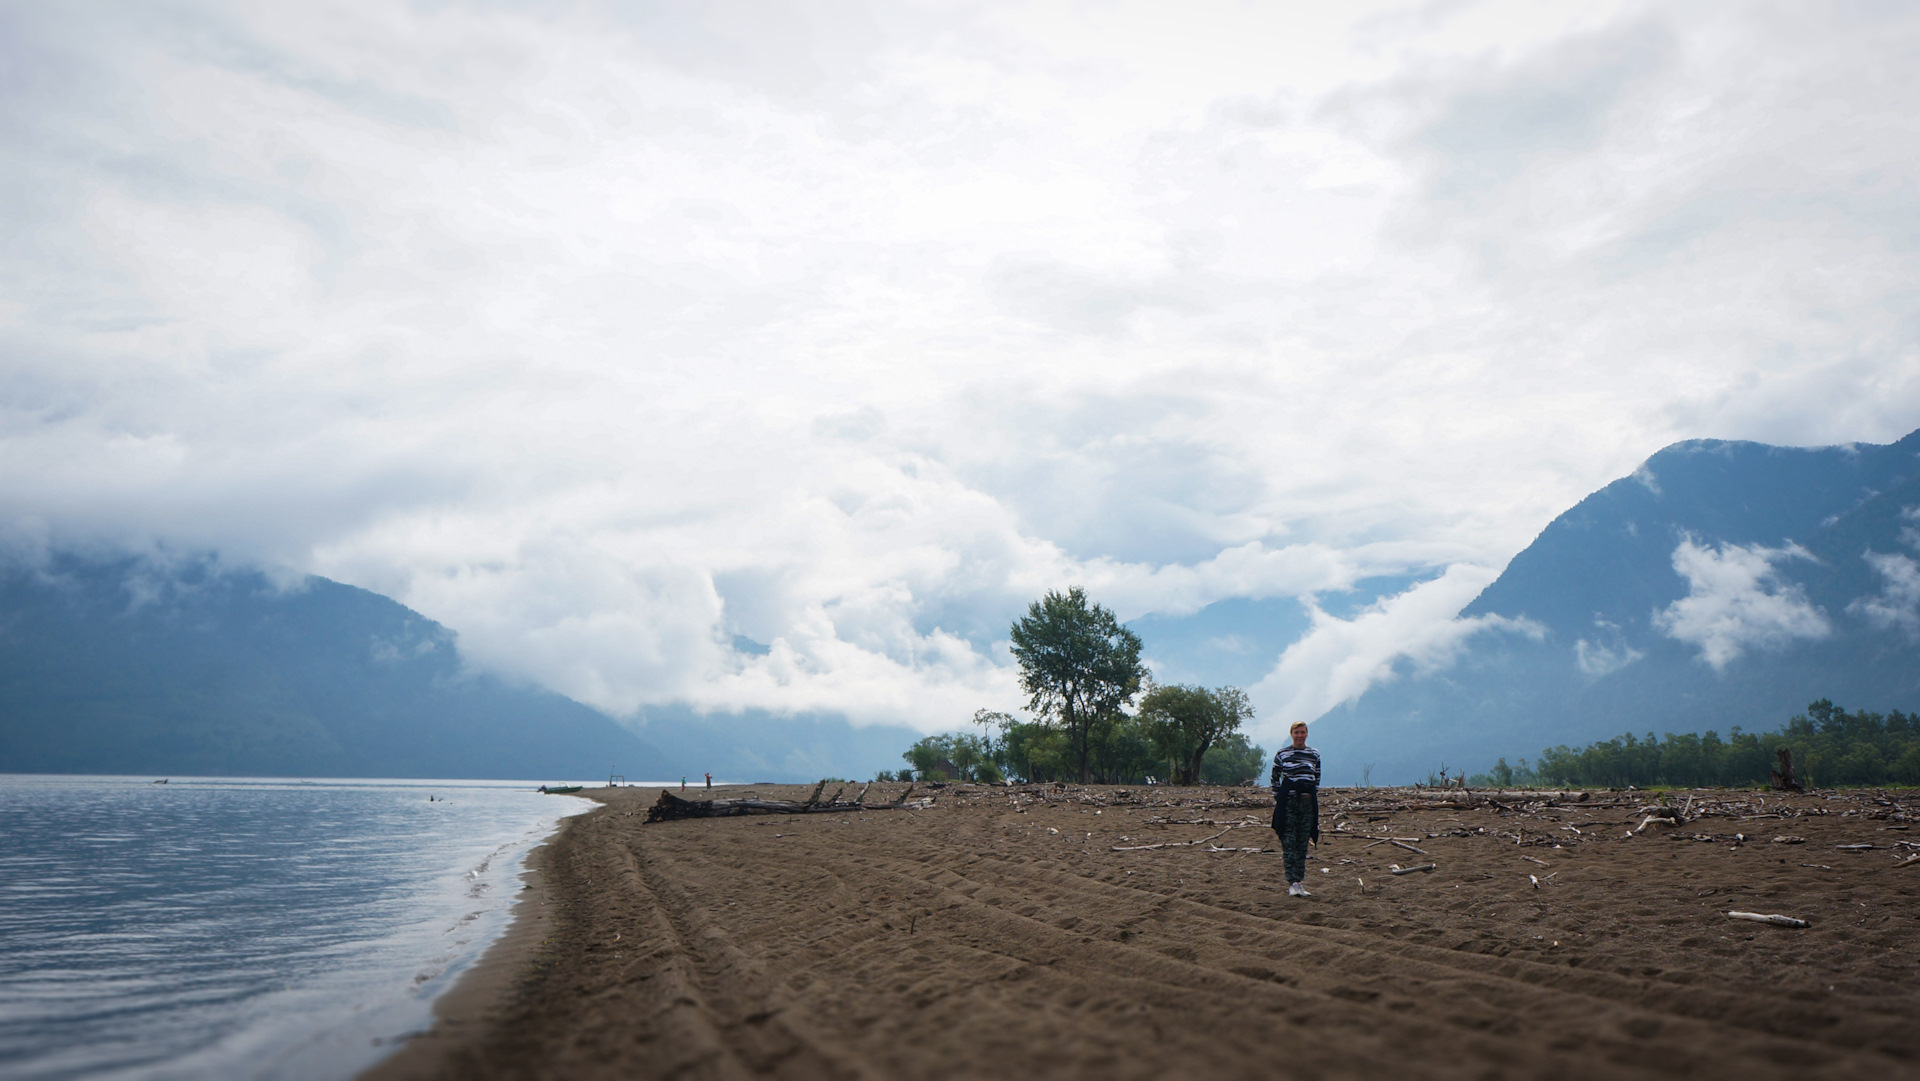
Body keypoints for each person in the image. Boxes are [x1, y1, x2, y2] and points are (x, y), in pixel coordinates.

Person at [1271, 721, 1321, 897]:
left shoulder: (1314, 754)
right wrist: (1280, 797)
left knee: (1302, 843)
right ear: (1291, 734)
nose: (1300, 735)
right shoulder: (1282, 754)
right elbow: (1275, 776)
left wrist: (1310, 793)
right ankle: (1291, 881)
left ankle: (1299, 881)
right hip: (1289, 804)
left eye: (1303, 732)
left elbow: (1316, 778)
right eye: (1296, 732)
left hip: (1307, 804)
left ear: (1307, 734)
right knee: (1289, 841)